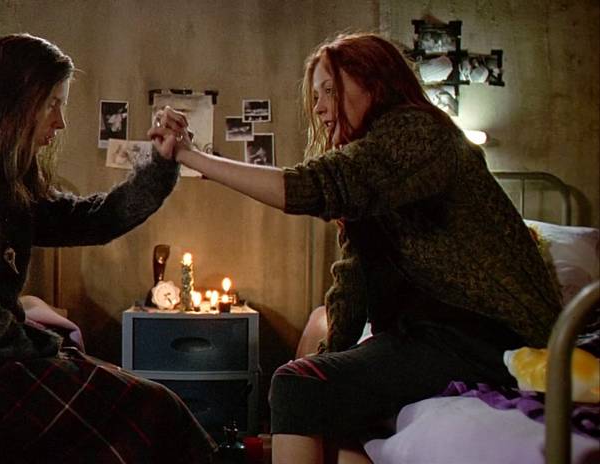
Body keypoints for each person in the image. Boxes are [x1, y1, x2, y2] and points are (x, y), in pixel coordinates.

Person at [148, 33, 561, 464]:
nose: (320, 108)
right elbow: (352, 283)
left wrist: (191, 156)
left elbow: (310, 186)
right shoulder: (370, 172)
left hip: (486, 337)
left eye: (330, 90)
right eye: (316, 96)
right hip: (429, 335)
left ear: (374, 84)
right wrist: (333, 361)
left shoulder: (419, 134)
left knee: (294, 385)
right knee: (323, 400)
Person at [0, 33, 214, 464]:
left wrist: (162, 165)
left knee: (153, 407)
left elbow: (93, 220)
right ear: (13, 100)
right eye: (52, 104)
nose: (60, 122)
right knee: (156, 413)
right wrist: (44, 348)